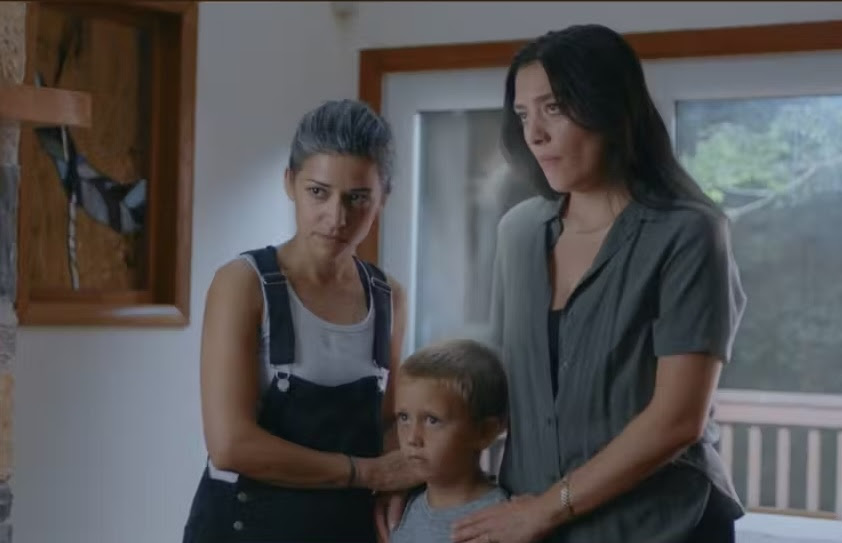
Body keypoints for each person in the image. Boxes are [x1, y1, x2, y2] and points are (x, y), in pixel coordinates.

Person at [451, 24, 748, 543]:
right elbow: (502, 388)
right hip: (535, 526)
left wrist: (545, 510)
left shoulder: (689, 232)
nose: (534, 133)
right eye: (523, 114)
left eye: (553, 108)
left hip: (662, 528)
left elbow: (679, 418)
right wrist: (415, 471)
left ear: (609, 108)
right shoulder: (517, 232)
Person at [182, 99, 421, 543]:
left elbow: (388, 423)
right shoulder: (243, 284)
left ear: (383, 198)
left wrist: (397, 485)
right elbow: (231, 445)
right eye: (318, 192)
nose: (337, 218)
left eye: (358, 198)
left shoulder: (389, 297)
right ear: (290, 182)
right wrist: (365, 472)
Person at [389, 339, 511, 543]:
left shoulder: (499, 522)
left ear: (485, 432)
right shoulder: (403, 509)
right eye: (404, 418)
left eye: (432, 420)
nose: (412, 438)